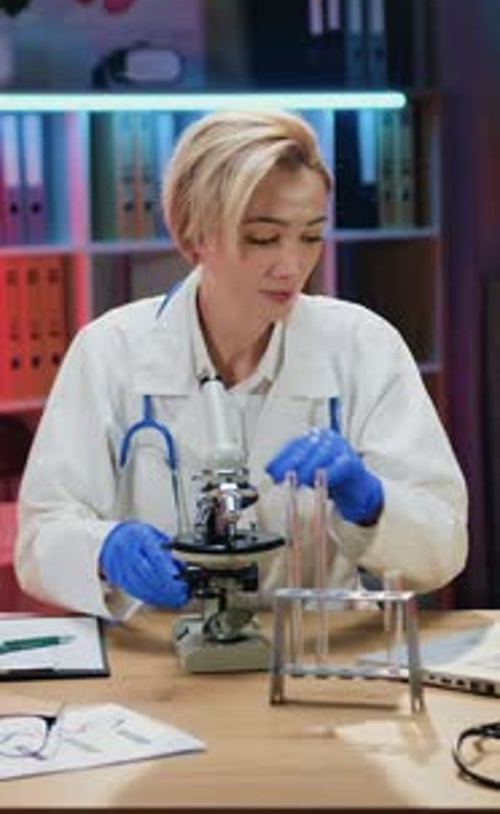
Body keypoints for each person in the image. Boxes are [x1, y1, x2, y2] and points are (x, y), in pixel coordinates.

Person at [14, 109, 468, 619]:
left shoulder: (364, 346)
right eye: (263, 238)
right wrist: (104, 548)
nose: (292, 265)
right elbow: (40, 538)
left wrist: (372, 503)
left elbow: (444, 546)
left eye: (311, 236)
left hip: (316, 650)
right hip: (160, 654)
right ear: (195, 236)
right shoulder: (110, 351)